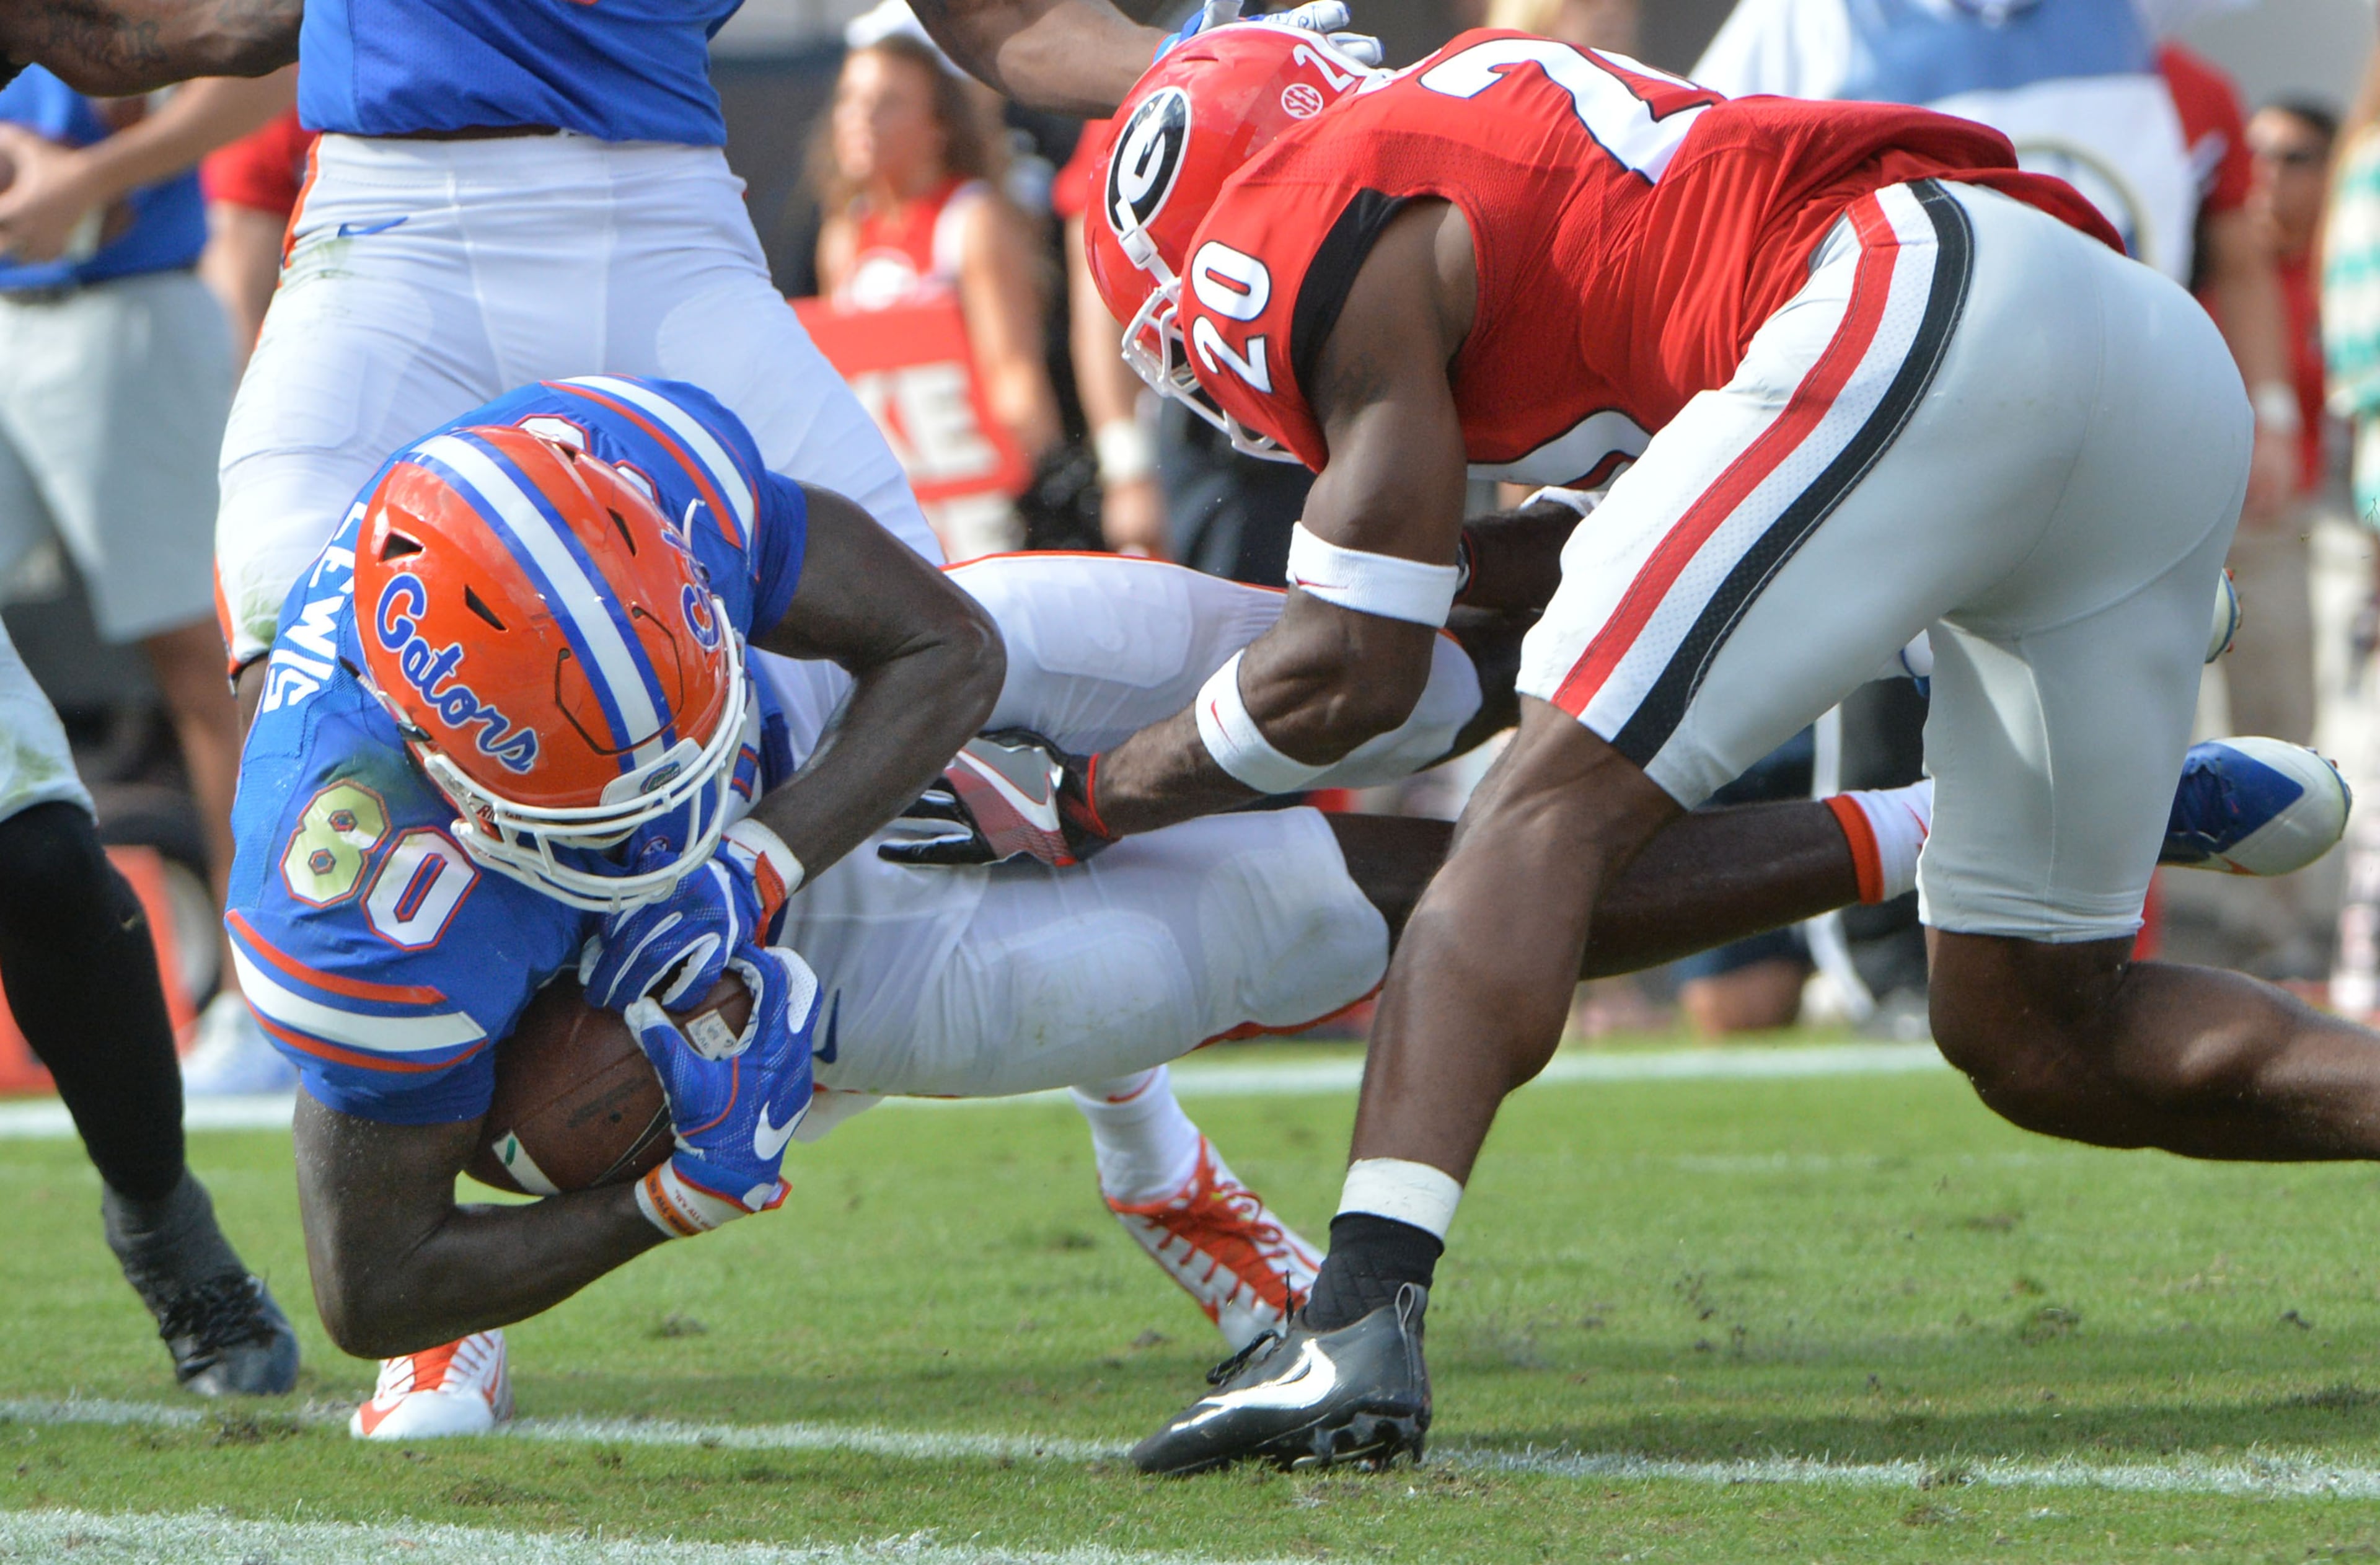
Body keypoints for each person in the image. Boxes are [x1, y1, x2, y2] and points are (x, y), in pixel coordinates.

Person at [1033, 24, 2380, 1474]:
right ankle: (1993, 649)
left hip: (1907, 311)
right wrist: (1401, 588)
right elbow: (1575, 555)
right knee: (2036, 1030)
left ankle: (1352, 1323)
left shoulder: (1295, 220)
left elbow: (1346, 676)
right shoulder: (1472, 162)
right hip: (2121, 356)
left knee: (1532, 819)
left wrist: (1088, 793)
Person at [245, 374, 2017, 1439]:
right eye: (604, 797)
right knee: (1340, 907)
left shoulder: (616, 475)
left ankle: (1919, 547)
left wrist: (769, 838)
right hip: (808, 974)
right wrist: (675, 1191)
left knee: (1363, 675)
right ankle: (1946, 824)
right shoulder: (354, 908)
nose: (649, 800)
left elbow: (944, 646)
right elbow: (371, 1282)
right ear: (442, 773)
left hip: (813, 735)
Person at [811, 31, 1062, 558]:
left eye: (888, 103)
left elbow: (1013, 372)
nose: (861, 118)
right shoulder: (843, 236)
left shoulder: (972, 220)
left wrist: (1045, 491)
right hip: (894, 492)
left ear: (938, 127)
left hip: (975, 486)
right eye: (851, 100)